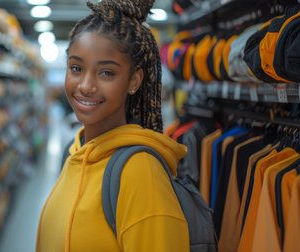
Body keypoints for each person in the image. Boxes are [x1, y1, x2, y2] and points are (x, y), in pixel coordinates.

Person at [36, 0, 190, 251]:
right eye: (76, 68)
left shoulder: (141, 174)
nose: (85, 85)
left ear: (134, 80)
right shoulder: (75, 151)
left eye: (106, 73)